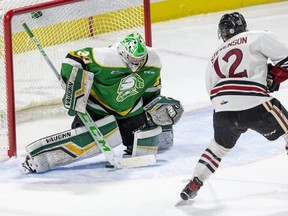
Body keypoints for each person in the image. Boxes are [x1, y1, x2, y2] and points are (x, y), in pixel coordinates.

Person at [21, 32, 183, 174]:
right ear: (122, 52)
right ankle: (38, 158)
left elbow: (152, 87)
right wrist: (75, 86)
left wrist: (152, 107)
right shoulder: (106, 57)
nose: (135, 63)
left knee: (144, 148)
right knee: (86, 138)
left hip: (130, 108)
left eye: (139, 59)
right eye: (132, 59)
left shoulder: (153, 61)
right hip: (97, 106)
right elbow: (73, 58)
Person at [180, 12, 288, 201]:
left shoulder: (214, 56)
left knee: (217, 148)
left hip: (222, 110)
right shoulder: (257, 36)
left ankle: (194, 183)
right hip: (254, 102)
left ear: (223, 33)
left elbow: (212, 91)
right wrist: (273, 78)